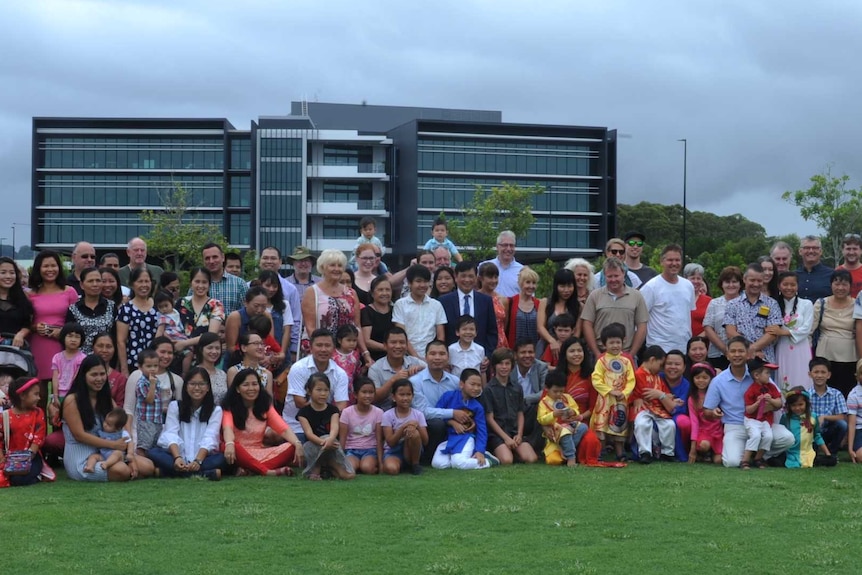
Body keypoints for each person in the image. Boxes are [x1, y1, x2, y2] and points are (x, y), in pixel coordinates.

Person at [703, 336, 794, 468]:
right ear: (727, 355)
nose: (737, 355)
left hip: (761, 424)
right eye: (733, 351)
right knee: (732, 462)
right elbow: (706, 410)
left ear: (748, 354)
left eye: (741, 351)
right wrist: (713, 412)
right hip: (735, 426)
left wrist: (771, 404)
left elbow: (778, 400)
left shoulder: (758, 374)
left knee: (787, 438)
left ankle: (755, 457)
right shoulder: (718, 381)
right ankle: (752, 456)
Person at [62, 355, 152, 481]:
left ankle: (128, 470)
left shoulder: (106, 400)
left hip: (105, 452)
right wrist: (113, 445)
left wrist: (129, 455)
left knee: (148, 466)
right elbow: (79, 435)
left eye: (102, 374)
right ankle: (122, 472)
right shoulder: (72, 401)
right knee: (121, 470)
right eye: (94, 375)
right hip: (82, 457)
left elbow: (122, 426)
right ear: (83, 376)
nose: (99, 379)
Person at [221, 368, 305, 476]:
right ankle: (267, 472)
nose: (251, 388)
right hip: (238, 452)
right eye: (246, 385)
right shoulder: (229, 407)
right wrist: (229, 443)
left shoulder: (265, 407)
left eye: (254, 384)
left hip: (260, 452)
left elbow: (283, 429)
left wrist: (297, 444)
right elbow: (227, 429)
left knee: (292, 446)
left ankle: (250, 469)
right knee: (226, 445)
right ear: (237, 389)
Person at [28, 250, 79, 398]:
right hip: (38, 345)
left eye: (53, 265)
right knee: (39, 393)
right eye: (46, 266)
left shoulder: (69, 292)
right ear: (38, 269)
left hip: (63, 345)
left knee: (65, 392)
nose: (50, 270)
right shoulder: (30, 294)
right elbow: (25, 322)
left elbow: (77, 321)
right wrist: (35, 327)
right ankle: (39, 421)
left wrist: (63, 333)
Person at [283, 329, 349, 440]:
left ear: (334, 348)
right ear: (311, 347)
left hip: (325, 425)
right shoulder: (298, 368)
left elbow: (341, 407)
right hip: (296, 424)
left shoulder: (340, 373)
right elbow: (299, 402)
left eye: (327, 345)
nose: (323, 349)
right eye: (319, 345)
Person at [302, 249, 367, 359]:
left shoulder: (351, 293)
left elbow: (357, 327)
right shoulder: (312, 292)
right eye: (332, 265)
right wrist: (325, 349)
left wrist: (365, 353)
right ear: (323, 267)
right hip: (321, 351)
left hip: (347, 352)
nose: (337, 269)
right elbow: (310, 327)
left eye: (340, 266)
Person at [580, 257, 648, 360]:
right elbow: (587, 324)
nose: (613, 280)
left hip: (626, 354)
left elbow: (642, 326)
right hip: (600, 354)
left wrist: (631, 354)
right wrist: (597, 353)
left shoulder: (636, 296)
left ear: (623, 274)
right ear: (604, 276)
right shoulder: (595, 295)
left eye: (616, 276)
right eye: (609, 276)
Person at [409, 340, 464, 464]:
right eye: (433, 354)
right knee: (436, 424)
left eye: (442, 354)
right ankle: (428, 458)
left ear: (448, 357)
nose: (437, 357)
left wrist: (454, 416)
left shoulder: (455, 381)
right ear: (426, 357)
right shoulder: (416, 381)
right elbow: (422, 412)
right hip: (426, 425)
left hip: (451, 422)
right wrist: (452, 413)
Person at [481, 348, 537, 465]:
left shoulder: (517, 388)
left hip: (514, 431)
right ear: (494, 366)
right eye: (500, 364)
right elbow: (489, 418)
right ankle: (496, 452)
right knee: (507, 460)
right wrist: (506, 438)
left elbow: (520, 413)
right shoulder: (488, 389)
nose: (504, 367)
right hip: (498, 434)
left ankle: (515, 451)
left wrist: (519, 434)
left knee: (531, 458)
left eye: (507, 364)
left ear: (512, 366)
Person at [431, 368, 495, 470]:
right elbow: (437, 414)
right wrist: (452, 422)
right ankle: (465, 457)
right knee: (438, 464)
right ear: (461, 384)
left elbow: (482, 431)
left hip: (466, 438)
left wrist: (480, 451)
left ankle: (488, 461)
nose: (476, 388)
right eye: (472, 384)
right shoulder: (448, 397)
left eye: (479, 385)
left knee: (458, 463)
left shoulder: (477, 407)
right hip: (449, 438)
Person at [590, 323, 636, 461]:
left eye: (618, 342)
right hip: (605, 400)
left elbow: (631, 380)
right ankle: (600, 451)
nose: (615, 345)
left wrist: (625, 393)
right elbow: (596, 379)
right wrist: (610, 391)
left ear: (623, 342)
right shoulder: (602, 361)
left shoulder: (626, 361)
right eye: (611, 342)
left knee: (619, 425)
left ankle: (620, 453)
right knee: (601, 425)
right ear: (604, 344)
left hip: (621, 400)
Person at [297, 372, 355, 480]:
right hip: (314, 444)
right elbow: (309, 434)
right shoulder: (303, 413)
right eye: (319, 390)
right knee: (311, 445)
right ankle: (320, 467)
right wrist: (324, 442)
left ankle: (331, 465)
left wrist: (330, 440)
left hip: (332, 444)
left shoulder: (333, 410)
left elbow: (334, 428)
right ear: (309, 391)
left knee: (329, 438)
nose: (323, 394)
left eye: (326, 390)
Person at [122, 337, 183, 438]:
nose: (166, 356)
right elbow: (128, 409)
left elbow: (179, 411)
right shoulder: (137, 375)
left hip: (166, 433)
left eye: (170, 353)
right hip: (138, 431)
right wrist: (129, 435)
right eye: (162, 352)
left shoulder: (177, 380)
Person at [640, 244, 696, 352]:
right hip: (659, 349)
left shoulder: (688, 285)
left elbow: (687, 315)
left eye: (677, 260)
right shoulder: (651, 287)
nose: (674, 264)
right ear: (661, 261)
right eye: (670, 260)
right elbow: (640, 319)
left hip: (684, 348)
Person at [0, 377, 55, 487]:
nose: (39, 398)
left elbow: (38, 439)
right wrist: (2, 459)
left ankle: (36, 474)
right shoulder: (5, 416)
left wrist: (26, 459)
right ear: (22, 395)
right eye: (35, 394)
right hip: (9, 457)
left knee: (19, 479)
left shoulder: (38, 413)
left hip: (31, 457)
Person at [724, 263, 782, 363]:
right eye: (752, 280)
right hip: (740, 360)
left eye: (759, 281)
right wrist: (748, 349)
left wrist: (752, 348)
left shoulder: (772, 304)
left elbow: (773, 333)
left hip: (765, 359)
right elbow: (730, 332)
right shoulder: (732, 304)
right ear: (744, 279)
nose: (756, 284)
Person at [767, 271, 814, 392]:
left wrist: (783, 332)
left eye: (792, 285)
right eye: (785, 284)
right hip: (782, 348)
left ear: (797, 286)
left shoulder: (806, 304)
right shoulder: (773, 304)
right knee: (784, 378)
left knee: (802, 377)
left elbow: (806, 328)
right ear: (779, 286)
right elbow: (770, 328)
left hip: (801, 348)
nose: (789, 288)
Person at [813, 270, 857, 396]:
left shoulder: (857, 305)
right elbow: (809, 332)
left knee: (847, 393)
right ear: (831, 284)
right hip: (825, 356)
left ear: (850, 286)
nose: (840, 288)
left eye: (844, 284)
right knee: (824, 393)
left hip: (850, 357)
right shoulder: (821, 304)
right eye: (836, 284)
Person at [439, 261, 498, 354]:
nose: (467, 280)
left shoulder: (486, 301)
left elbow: (492, 331)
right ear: (456, 277)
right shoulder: (444, 301)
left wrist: (487, 355)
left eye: (471, 276)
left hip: (479, 356)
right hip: (452, 356)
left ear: (476, 278)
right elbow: (441, 332)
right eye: (463, 276)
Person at [631, 345, 676, 464]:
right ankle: (645, 452)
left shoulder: (657, 377)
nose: (661, 369)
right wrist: (663, 396)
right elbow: (646, 393)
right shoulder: (638, 374)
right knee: (642, 424)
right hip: (643, 408)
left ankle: (667, 452)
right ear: (652, 360)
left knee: (669, 425)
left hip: (658, 409)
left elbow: (665, 393)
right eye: (660, 365)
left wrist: (666, 396)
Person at [392, 265, 446, 360]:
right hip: (406, 356)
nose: (423, 285)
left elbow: (440, 336)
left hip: (431, 357)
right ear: (409, 283)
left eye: (425, 281)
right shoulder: (400, 304)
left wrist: (433, 356)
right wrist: (416, 358)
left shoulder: (436, 305)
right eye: (418, 281)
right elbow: (401, 334)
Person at [537, 371, 588, 467]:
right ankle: (571, 457)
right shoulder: (543, 403)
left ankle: (567, 451)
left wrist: (572, 412)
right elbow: (541, 419)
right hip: (554, 429)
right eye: (555, 391)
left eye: (561, 391)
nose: (559, 394)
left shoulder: (567, 398)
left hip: (570, 424)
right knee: (553, 460)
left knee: (583, 427)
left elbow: (576, 408)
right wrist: (553, 415)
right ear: (546, 388)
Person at [174, 267, 225, 361]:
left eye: (204, 282)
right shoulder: (181, 303)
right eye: (197, 281)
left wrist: (184, 344)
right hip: (180, 355)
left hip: (204, 357)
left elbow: (211, 335)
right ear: (191, 283)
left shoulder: (216, 305)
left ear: (209, 284)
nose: (200, 285)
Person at [258, 246, 301, 357]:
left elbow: (295, 322)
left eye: (273, 258)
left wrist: (293, 349)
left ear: (280, 262)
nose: (269, 261)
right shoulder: (247, 287)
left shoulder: (290, 289)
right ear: (260, 260)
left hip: (281, 351)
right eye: (265, 258)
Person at [368, 327, 425, 410]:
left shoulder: (415, 362)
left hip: (415, 411)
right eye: (393, 342)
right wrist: (393, 380)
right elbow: (374, 398)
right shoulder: (375, 369)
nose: (398, 346)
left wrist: (422, 369)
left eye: (402, 342)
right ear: (385, 345)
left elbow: (434, 371)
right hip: (385, 413)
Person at [116, 267, 159, 376]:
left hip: (157, 363)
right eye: (140, 281)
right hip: (134, 363)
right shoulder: (126, 309)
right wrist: (124, 369)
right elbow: (121, 341)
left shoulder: (159, 306)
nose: (144, 285)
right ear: (132, 284)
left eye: (147, 281)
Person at [780, 386, 836, 468]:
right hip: (790, 453)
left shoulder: (813, 417)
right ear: (789, 406)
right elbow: (781, 436)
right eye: (793, 405)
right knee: (776, 460)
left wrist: (828, 453)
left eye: (800, 404)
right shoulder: (786, 418)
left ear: (806, 403)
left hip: (808, 452)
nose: (797, 408)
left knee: (831, 460)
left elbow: (817, 436)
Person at [381, 379, 428, 475]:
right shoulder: (387, 415)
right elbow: (390, 442)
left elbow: (425, 441)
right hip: (393, 451)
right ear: (393, 397)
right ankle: (402, 464)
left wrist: (417, 426)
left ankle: (415, 464)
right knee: (391, 469)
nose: (405, 398)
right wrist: (403, 427)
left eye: (408, 394)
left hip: (412, 449)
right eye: (402, 395)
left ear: (412, 396)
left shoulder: (418, 414)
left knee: (413, 433)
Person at [339, 376, 384, 475]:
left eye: (371, 392)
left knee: (367, 468)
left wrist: (381, 463)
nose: (368, 395)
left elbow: (379, 439)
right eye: (364, 392)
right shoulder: (347, 412)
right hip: (351, 450)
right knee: (351, 469)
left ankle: (370, 466)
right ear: (355, 394)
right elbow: (342, 438)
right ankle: (357, 464)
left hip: (370, 450)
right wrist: (340, 461)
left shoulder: (378, 413)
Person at [66, 268, 116, 354]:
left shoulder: (112, 306)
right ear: (82, 285)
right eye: (90, 281)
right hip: (80, 360)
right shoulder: (73, 309)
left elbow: (116, 336)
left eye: (98, 281)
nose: (95, 284)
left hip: (106, 358)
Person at [703, 266, 743, 370]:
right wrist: (725, 349)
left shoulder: (746, 303)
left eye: (734, 282)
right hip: (718, 354)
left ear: (740, 284)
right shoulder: (714, 303)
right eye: (727, 282)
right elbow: (708, 327)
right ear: (722, 284)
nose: (731, 285)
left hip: (742, 353)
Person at [536, 268, 580, 361]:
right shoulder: (545, 302)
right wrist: (553, 342)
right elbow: (540, 327)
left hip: (569, 350)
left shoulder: (579, 306)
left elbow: (577, 332)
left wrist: (565, 344)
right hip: (545, 347)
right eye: (562, 286)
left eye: (569, 286)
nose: (566, 290)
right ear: (556, 286)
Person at [808, 357, 848, 457]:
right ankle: (813, 451)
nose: (819, 375)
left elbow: (842, 416)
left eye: (823, 372)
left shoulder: (836, 394)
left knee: (842, 425)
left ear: (828, 375)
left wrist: (824, 417)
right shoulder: (806, 395)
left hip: (829, 430)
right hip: (812, 431)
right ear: (810, 374)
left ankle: (832, 452)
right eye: (816, 372)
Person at [224, 287, 274, 366]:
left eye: (264, 306)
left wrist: (268, 357)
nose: (260, 310)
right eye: (256, 306)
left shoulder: (267, 316)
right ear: (246, 303)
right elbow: (231, 348)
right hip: (237, 362)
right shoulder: (235, 317)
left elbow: (270, 342)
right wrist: (253, 357)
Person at [687, 362, 722, 464]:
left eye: (705, 378)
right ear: (693, 379)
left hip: (718, 431)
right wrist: (692, 449)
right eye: (697, 377)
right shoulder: (692, 399)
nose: (701, 381)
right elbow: (694, 423)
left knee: (718, 460)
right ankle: (703, 453)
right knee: (704, 445)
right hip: (703, 432)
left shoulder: (716, 393)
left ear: (711, 379)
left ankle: (711, 453)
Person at [132, 349, 166, 455]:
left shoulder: (156, 380)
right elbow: (149, 400)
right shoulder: (142, 383)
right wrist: (152, 384)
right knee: (144, 445)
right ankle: (141, 465)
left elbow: (157, 400)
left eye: (155, 366)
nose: (152, 369)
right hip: (145, 420)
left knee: (155, 445)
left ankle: (151, 466)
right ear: (140, 367)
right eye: (148, 366)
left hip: (157, 419)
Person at [257, 270, 292, 370]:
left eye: (275, 286)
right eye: (267, 285)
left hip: (279, 352)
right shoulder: (256, 307)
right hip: (260, 354)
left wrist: (282, 353)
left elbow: (287, 330)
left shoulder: (284, 305)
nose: (271, 289)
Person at [661, 349, 692, 462]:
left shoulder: (686, 385)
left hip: (676, 416)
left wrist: (661, 397)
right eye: (669, 364)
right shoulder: (657, 378)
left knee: (683, 423)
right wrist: (670, 401)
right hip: (656, 414)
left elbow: (678, 408)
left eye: (677, 364)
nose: (673, 367)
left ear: (684, 368)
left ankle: (681, 451)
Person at [201, 243, 248, 316]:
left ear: (223, 257)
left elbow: (247, 312)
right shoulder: (198, 285)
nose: (211, 261)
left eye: (215, 257)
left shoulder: (239, 284)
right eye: (207, 258)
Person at [84, 408, 130, 474]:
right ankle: (90, 467)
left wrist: (130, 453)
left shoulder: (122, 433)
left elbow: (130, 442)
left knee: (118, 453)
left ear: (118, 428)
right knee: (93, 456)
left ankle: (106, 464)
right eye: (105, 421)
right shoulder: (101, 432)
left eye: (109, 425)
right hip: (103, 454)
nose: (105, 425)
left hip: (115, 455)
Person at [479, 230, 523, 298]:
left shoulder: (522, 271)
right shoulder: (483, 267)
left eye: (511, 245)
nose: (508, 249)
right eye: (505, 245)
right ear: (497, 246)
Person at [0, 257, 33, 347]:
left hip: (16, 350)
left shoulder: (22, 298)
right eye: (3, 273)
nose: (8, 276)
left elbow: (27, 324)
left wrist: (21, 334)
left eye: (12, 273)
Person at [505, 266, 540, 350]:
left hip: (535, 351)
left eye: (534, 283)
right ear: (520, 283)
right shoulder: (510, 302)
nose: (531, 286)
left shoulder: (539, 304)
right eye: (528, 282)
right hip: (514, 350)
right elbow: (504, 327)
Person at [50, 322, 86, 403]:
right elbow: (55, 377)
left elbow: (76, 378)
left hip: (74, 394)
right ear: (63, 337)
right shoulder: (57, 357)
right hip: (59, 394)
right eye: (70, 336)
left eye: (77, 337)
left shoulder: (82, 358)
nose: (73, 340)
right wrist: (55, 395)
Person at [154, 291, 190, 371]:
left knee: (189, 353)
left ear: (172, 303)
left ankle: (185, 373)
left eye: (166, 305)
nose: (164, 309)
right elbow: (160, 331)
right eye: (161, 307)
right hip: (171, 340)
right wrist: (156, 343)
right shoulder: (163, 317)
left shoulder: (176, 312)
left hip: (181, 337)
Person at [477, 262, 509, 350]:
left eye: (496, 277)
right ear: (480, 278)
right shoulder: (475, 297)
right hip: (481, 342)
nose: (494, 280)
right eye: (490, 277)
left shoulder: (503, 299)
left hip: (500, 343)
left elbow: (504, 324)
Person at [360, 276, 393, 362]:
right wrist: (388, 348)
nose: (385, 293)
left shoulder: (395, 310)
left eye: (387, 290)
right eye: (380, 290)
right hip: (373, 358)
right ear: (372, 293)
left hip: (395, 356)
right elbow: (367, 341)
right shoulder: (366, 312)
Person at [92, 333, 126, 408]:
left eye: (109, 346)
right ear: (93, 348)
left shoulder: (120, 379)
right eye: (100, 346)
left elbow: (120, 407)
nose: (104, 350)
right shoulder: (84, 372)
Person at [797, 235, 835, 302]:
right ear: (800, 251)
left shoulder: (832, 275)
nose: (811, 251)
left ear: (820, 251)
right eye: (807, 248)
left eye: (815, 248)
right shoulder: (794, 275)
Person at [194, 332, 228, 405]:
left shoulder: (222, 374)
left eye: (217, 348)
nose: (214, 352)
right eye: (210, 348)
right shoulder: (195, 373)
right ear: (201, 349)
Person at [684, 263, 711, 337]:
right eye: (692, 278)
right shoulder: (678, 298)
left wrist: (696, 340)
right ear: (685, 279)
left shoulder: (709, 301)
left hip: (701, 343)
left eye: (698, 278)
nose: (696, 281)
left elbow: (712, 326)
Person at [333, 323, 361, 395]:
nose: (352, 343)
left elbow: (356, 372)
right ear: (339, 340)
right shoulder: (332, 354)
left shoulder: (356, 354)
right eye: (348, 340)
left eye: (354, 340)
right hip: (334, 387)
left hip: (349, 389)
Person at [838, 233, 862, 297]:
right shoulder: (837, 272)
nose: (851, 252)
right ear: (842, 250)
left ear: (861, 251)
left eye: (855, 249)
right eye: (848, 249)